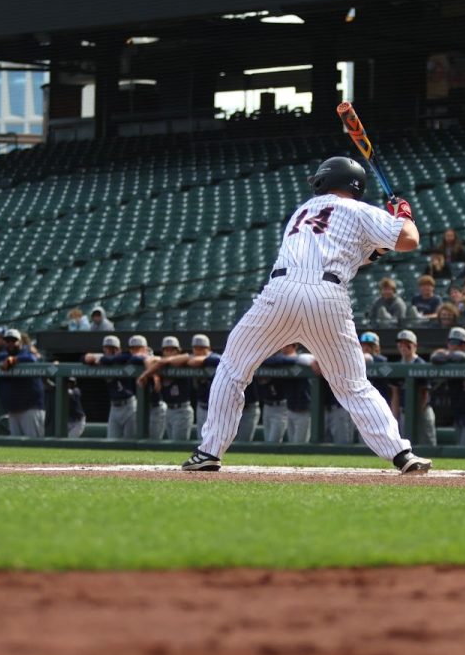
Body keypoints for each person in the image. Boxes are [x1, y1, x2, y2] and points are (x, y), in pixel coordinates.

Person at [180, 156, 431, 473]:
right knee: (353, 385)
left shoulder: (302, 211)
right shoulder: (361, 210)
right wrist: (403, 215)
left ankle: (209, 452)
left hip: (280, 292)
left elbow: (358, 251)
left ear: (327, 180)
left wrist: (383, 242)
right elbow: (409, 240)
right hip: (328, 298)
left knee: (231, 369)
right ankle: (401, 454)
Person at [0, 328, 46, 437]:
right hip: (13, 410)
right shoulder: (3, 355)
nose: (10, 343)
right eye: (7, 341)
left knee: (34, 447)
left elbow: (33, 358)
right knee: (16, 447)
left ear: (20, 341)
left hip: (30, 409)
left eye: (13, 340)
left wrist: (14, 360)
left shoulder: (27, 351)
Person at [84, 335, 147, 439]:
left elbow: (125, 357)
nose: (109, 351)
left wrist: (101, 359)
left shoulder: (125, 358)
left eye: (113, 349)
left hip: (129, 406)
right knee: (111, 442)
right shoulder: (103, 360)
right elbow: (84, 358)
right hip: (114, 407)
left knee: (130, 443)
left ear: (118, 349)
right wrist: (92, 358)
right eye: (107, 348)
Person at [258, 344, 314, 444]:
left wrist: (299, 359)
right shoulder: (283, 360)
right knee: (291, 446)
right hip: (290, 408)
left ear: (294, 347)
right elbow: (268, 360)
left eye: (287, 346)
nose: (283, 349)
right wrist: (295, 359)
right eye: (282, 346)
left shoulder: (304, 359)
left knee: (299, 446)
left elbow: (310, 359)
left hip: (303, 409)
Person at [389, 330, 436, 446]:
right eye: (400, 343)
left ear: (415, 346)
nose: (403, 346)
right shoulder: (397, 366)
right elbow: (395, 394)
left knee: (427, 443)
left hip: (422, 411)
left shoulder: (421, 364)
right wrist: (394, 418)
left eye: (407, 343)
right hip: (404, 412)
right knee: (406, 444)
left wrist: (416, 415)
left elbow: (424, 394)